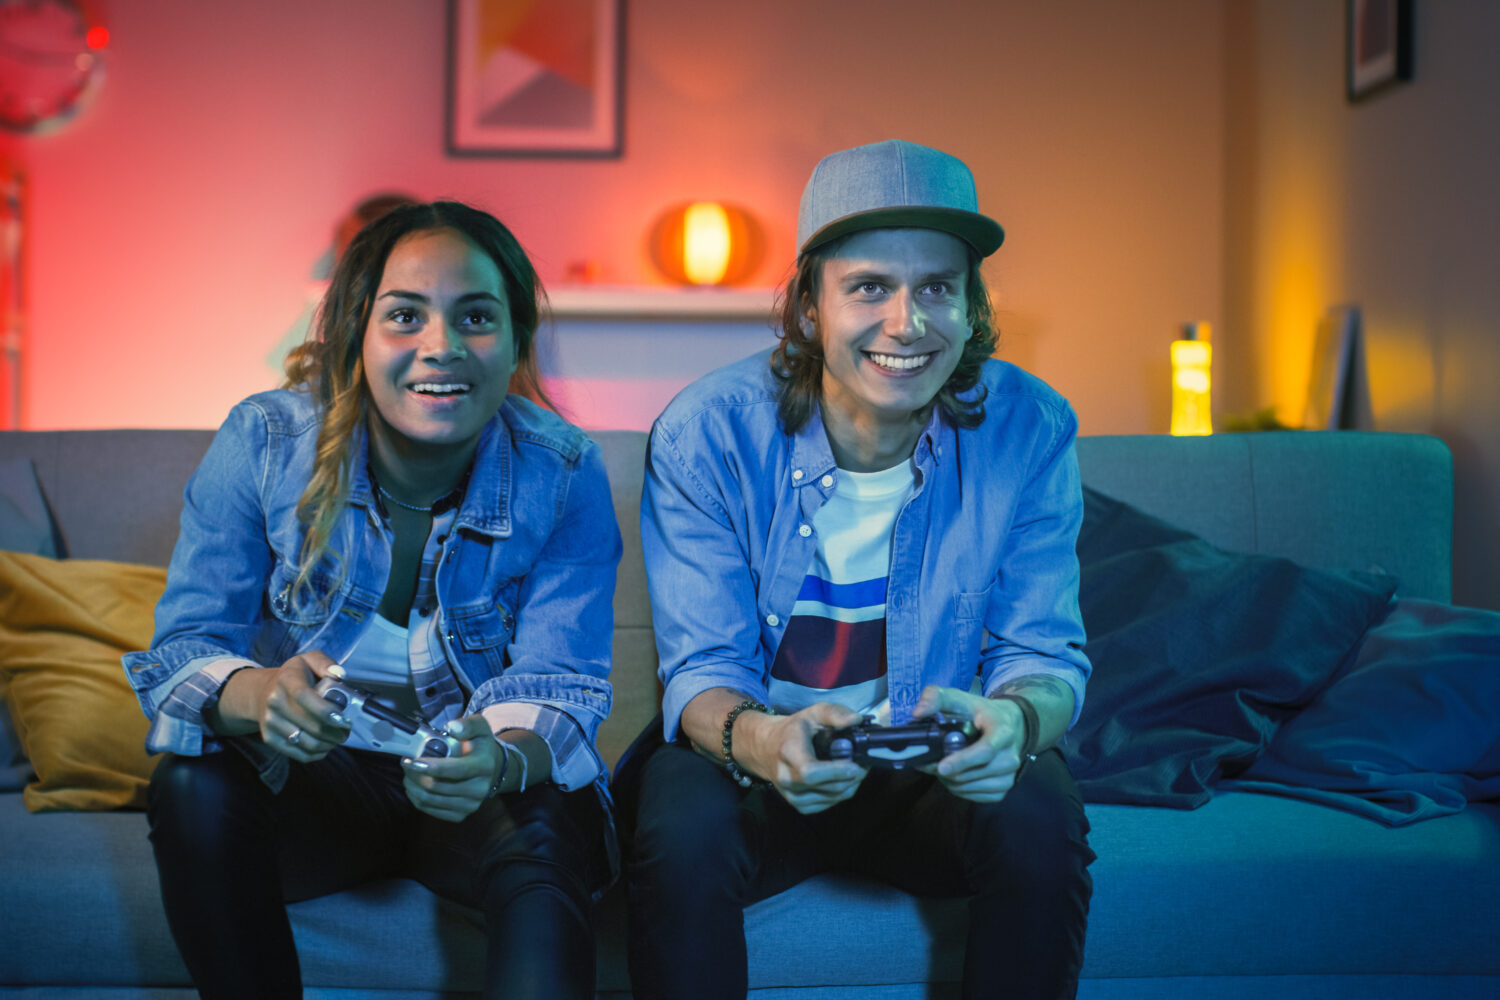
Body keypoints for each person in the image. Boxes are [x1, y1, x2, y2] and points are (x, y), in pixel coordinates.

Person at [620, 140, 1095, 999]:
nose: (907, 322)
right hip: (766, 763)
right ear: (810, 307)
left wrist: (1017, 724)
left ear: (970, 306)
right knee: (677, 821)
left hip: (933, 771)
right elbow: (703, 673)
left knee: (1040, 815)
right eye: (870, 286)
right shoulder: (706, 434)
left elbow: (1044, 654)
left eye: (938, 288)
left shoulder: (1031, 429)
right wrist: (764, 741)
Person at [123, 201, 621, 1000]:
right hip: (320, 791)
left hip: (475, 793)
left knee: (547, 813)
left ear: (518, 340)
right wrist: (262, 694)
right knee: (191, 783)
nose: (442, 347)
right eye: (404, 315)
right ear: (358, 331)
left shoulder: (562, 472)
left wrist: (497, 758)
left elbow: (559, 686)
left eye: (477, 317)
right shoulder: (265, 443)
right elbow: (181, 651)